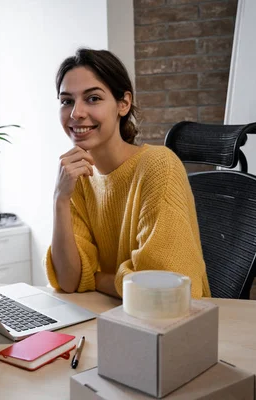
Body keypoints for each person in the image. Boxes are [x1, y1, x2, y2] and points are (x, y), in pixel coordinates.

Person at [45, 48, 211, 299]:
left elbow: (161, 290)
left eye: (93, 99)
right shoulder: (77, 176)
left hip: (172, 326)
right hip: (115, 316)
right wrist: (60, 199)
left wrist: (96, 278)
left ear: (123, 103)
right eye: (67, 101)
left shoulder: (158, 166)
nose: (76, 113)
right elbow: (69, 280)